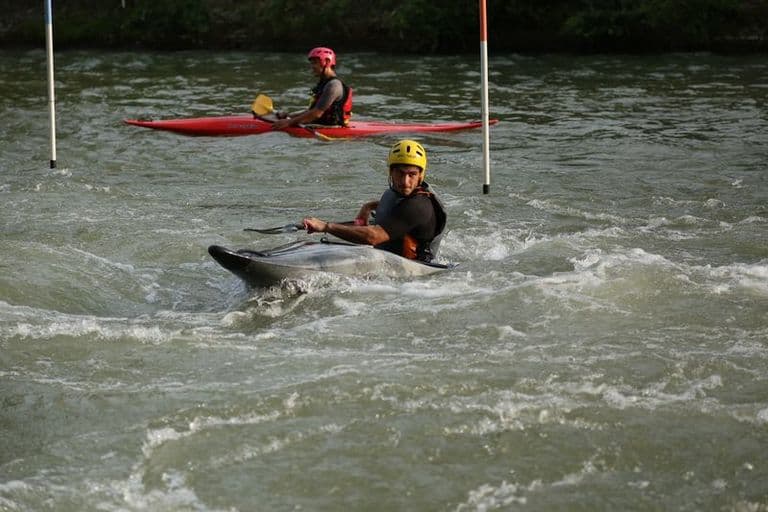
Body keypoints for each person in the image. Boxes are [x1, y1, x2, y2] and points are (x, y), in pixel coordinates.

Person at [302, 140, 447, 263]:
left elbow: (373, 237)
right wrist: (369, 206)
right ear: (391, 172)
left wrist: (326, 227)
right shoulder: (399, 194)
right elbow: (398, 210)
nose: (405, 182)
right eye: (400, 173)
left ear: (421, 175)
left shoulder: (419, 206)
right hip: (387, 260)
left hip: (412, 275)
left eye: (412, 174)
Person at [272, 47, 353, 129]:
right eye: (311, 63)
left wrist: (289, 122)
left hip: (331, 127)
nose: (312, 67)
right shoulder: (324, 84)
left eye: (314, 63)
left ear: (327, 62)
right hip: (320, 123)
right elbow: (311, 110)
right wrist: (288, 116)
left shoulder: (334, 85)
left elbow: (316, 113)